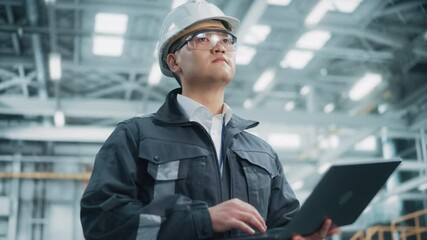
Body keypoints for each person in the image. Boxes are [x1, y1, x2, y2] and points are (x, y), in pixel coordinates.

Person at [80, 1, 340, 239]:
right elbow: (103, 222)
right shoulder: (135, 136)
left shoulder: (261, 152)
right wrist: (202, 219)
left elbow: (280, 225)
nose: (220, 47)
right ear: (174, 62)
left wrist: (301, 235)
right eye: (202, 38)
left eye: (227, 40)